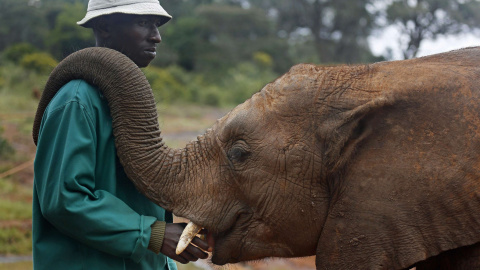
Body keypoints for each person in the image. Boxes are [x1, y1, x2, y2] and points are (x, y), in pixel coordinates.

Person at [32, 0, 210, 269]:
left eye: (157, 25)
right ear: (104, 26)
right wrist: (152, 234)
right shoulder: (77, 101)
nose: (156, 36)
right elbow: (64, 199)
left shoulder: (122, 96)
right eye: (143, 23)